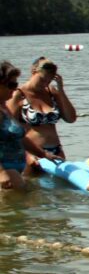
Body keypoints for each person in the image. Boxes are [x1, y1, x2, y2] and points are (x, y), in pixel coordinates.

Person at [0, 61, 60, 190]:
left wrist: (44, 154)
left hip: (16, 168)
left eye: (16, 84)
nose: (15, 88)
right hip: (6, 171)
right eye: (11, 84)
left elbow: (21, 138)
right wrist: (2, 172)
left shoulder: (4, 107)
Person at [19, 57, 77, 172]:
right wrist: (27, 155)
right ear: (33, 71)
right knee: (33, 188)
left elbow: (71, 118)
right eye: (42, 79)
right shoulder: (19, 94)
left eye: (49, 80)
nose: (45, 83)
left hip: (56, 151)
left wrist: (61, 89)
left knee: (59, 189)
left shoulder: (51, 92)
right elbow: (10, 130)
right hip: (33, 153)